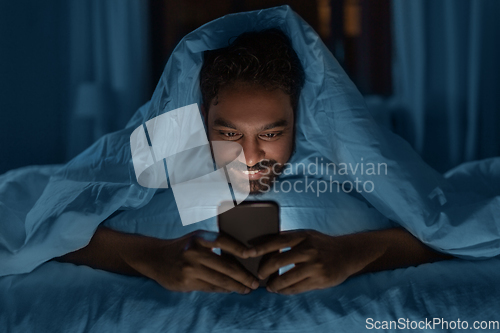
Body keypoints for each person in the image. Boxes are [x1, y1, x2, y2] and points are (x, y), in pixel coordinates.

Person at [56, 28, 451, 295]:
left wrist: (354, 253)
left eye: (271, 133)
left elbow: (447, 229)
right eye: (228, 134)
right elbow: (46, 224)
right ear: (202, 118)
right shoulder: (166, 153)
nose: (250, 158)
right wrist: (150, 257)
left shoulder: (342, 166)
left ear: (299, 121)